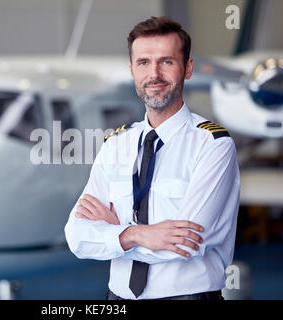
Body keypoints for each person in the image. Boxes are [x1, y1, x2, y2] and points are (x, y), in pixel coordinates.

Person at [64, 16, 240, 300]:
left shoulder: (213, 144)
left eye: (167, 62)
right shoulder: (115, 144)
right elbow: (76, 236)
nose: (154, 74)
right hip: (117, 298)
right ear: (132, 70)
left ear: (188, 68)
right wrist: (136, 234)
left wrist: (113, 232)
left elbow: (186, 244)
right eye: (143, 62)